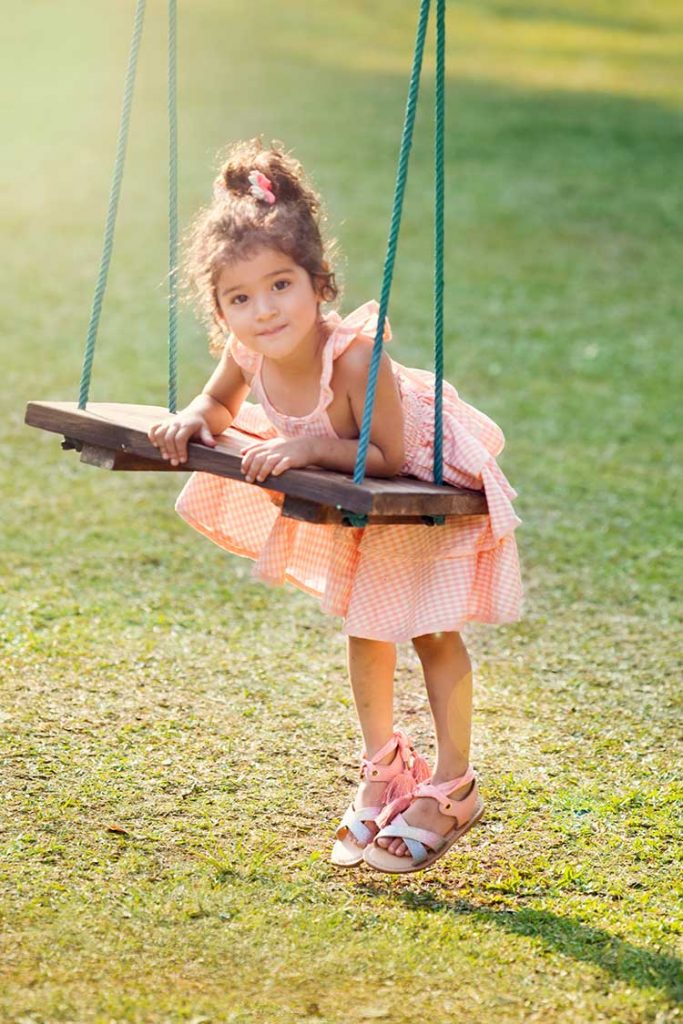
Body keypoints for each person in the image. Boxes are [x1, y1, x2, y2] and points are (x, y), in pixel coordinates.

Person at [148, 138, 523, 874]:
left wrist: (309, 449)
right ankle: (385, 767)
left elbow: (381, 457)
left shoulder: (353, 359)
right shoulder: (246, 347)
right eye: (240, 298)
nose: (263, 311)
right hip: (359, 497)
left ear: (318, 283)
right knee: (366, 631)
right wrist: (194, 417)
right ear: (220, 309)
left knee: (429, 633)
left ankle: (452, 783)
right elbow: (219, 401)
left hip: (412, 486)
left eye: (280, 285)